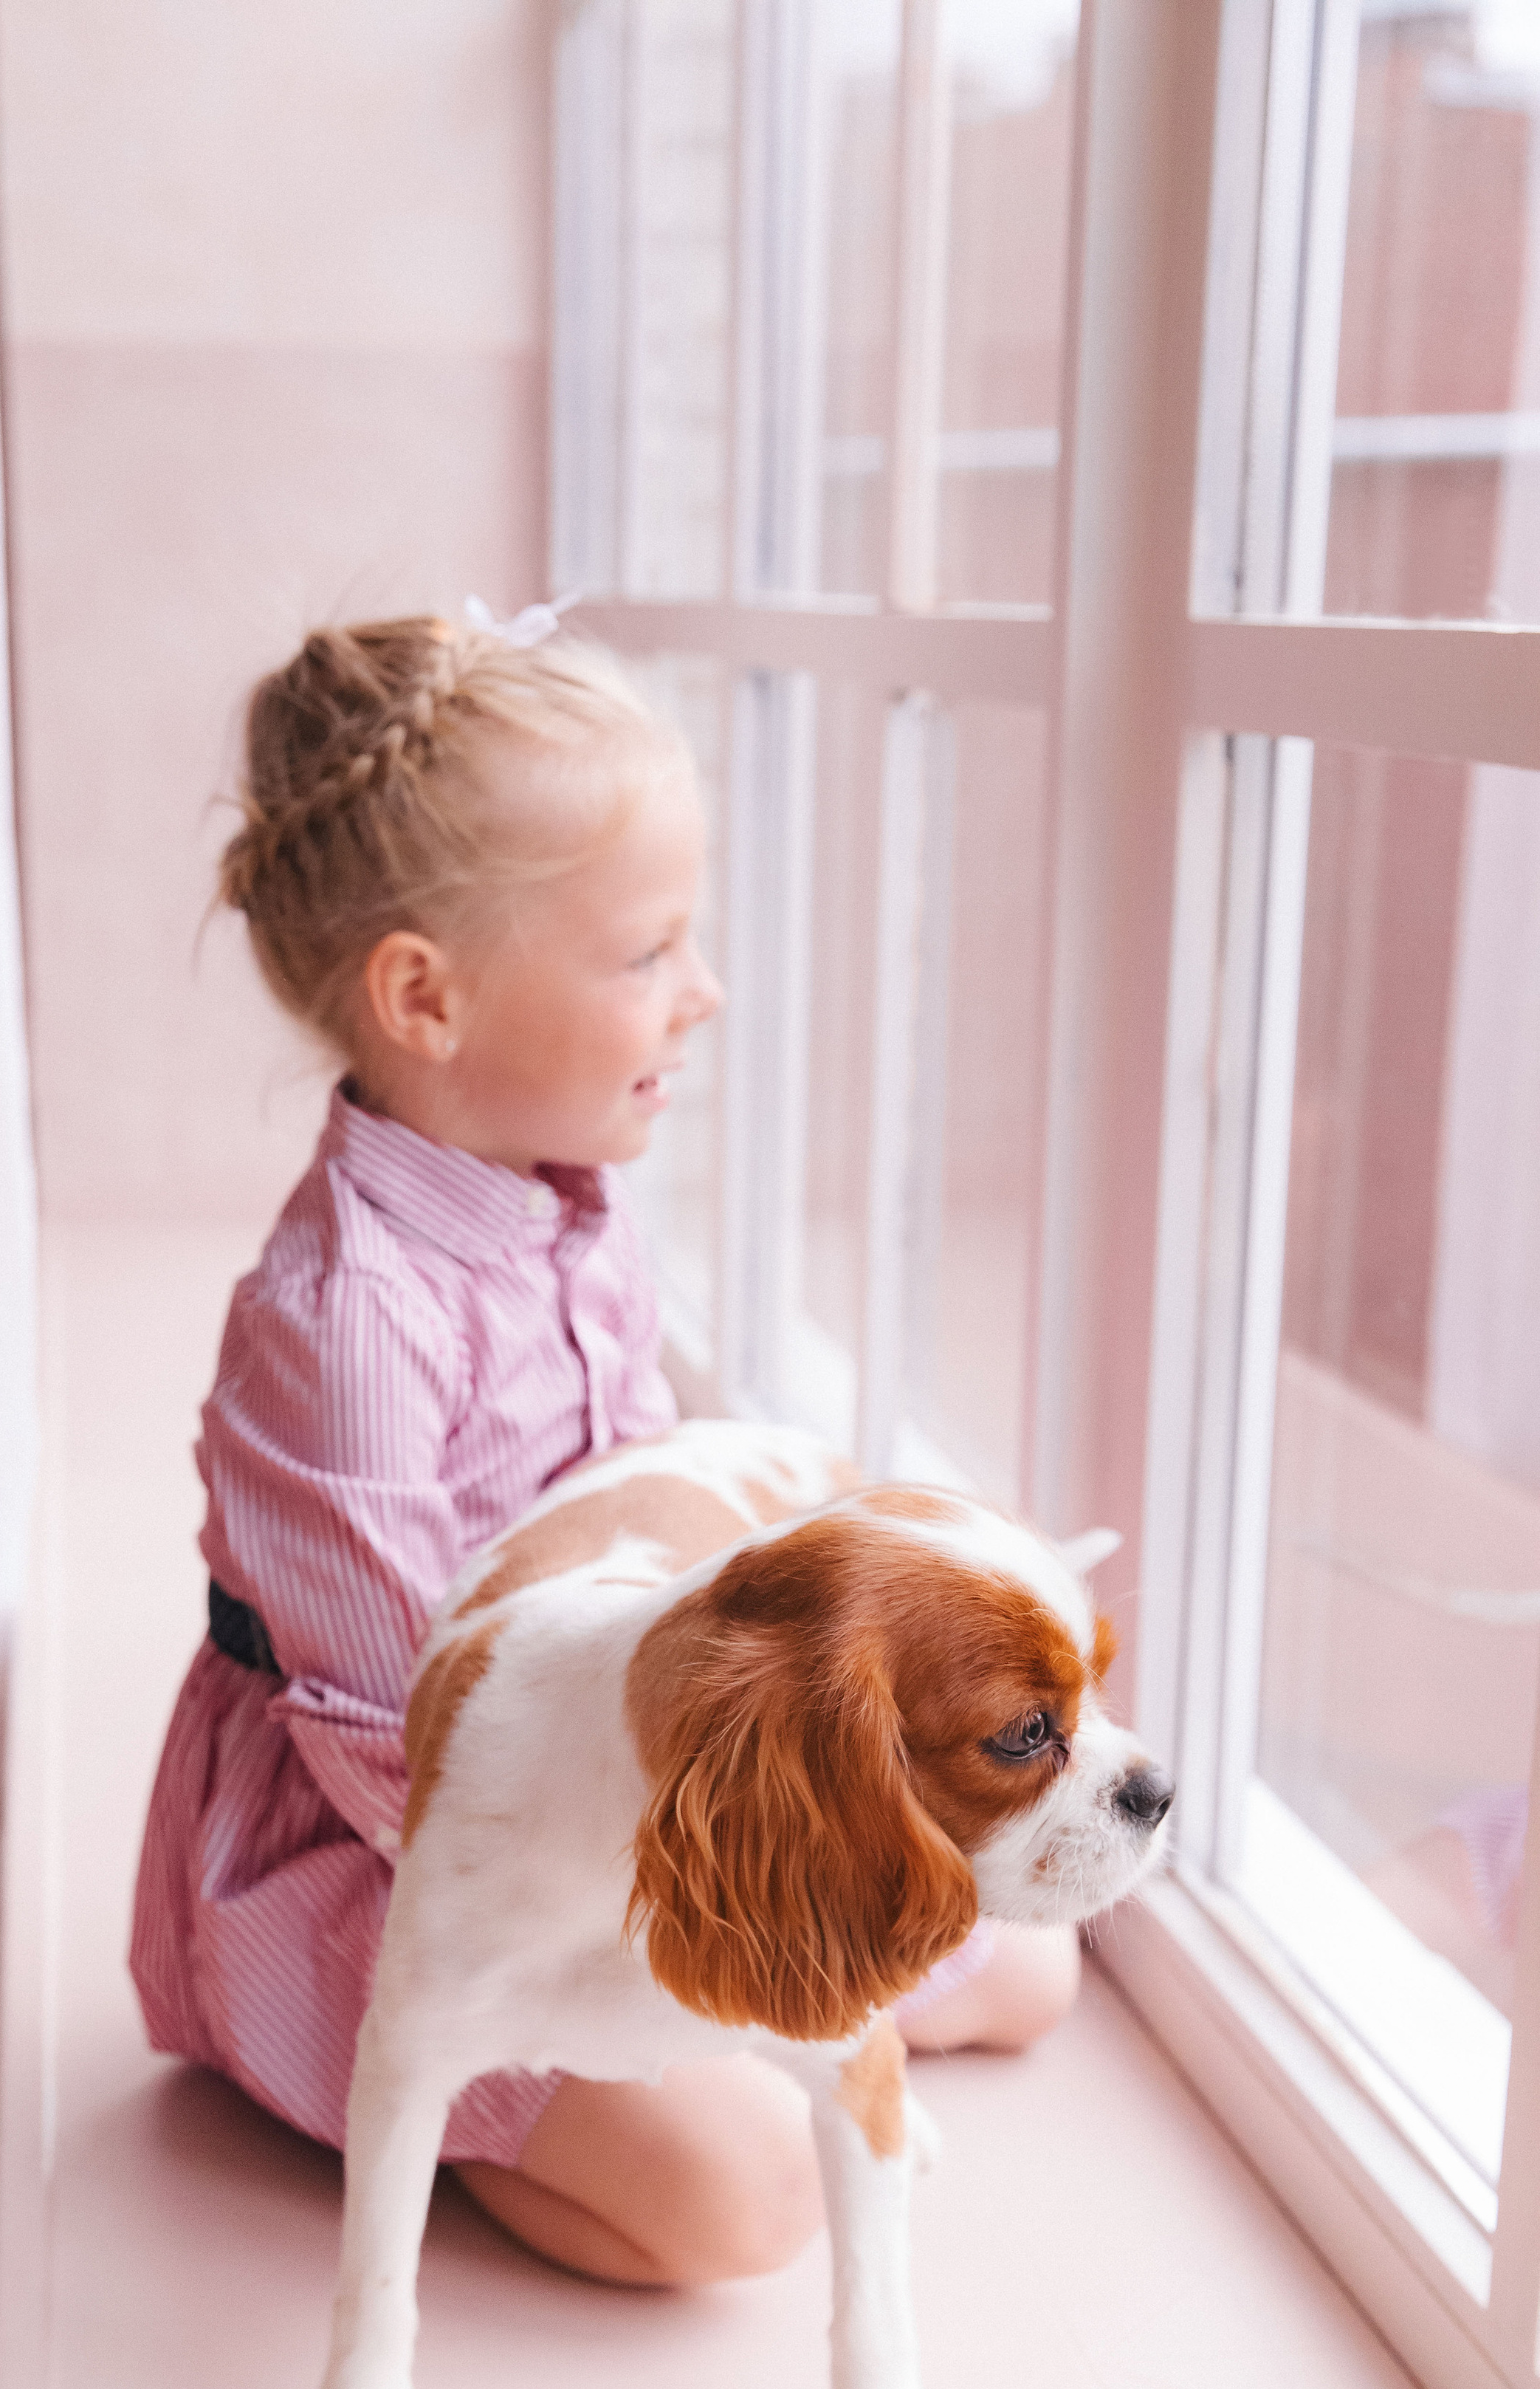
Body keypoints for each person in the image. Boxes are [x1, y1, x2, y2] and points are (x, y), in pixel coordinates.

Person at [129, 611, 1080, 2293]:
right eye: (647, 955)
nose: (699, 993)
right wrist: (669, 1918)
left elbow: (647, 1513)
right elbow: (396, 1753)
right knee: (739, 2210)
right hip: (414, 1845)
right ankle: (354, 2076)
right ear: (424, 996)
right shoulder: (344, 1326)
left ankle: (709, 2024)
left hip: (614, 1765)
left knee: (1023, 1975)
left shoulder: (581, 1213)